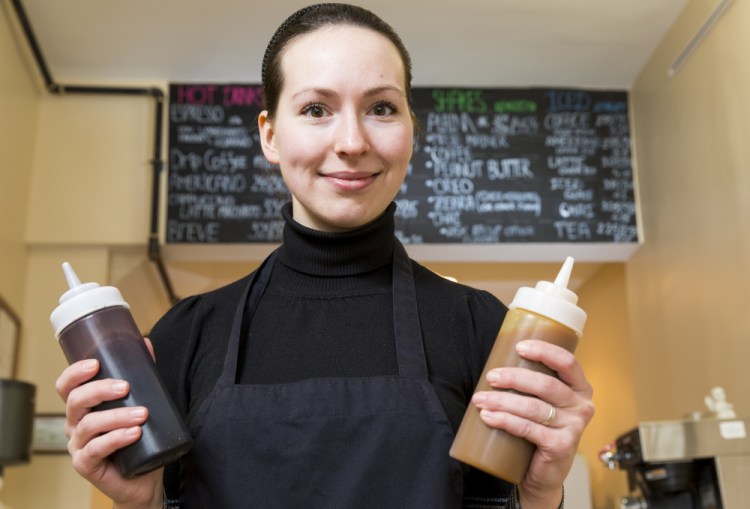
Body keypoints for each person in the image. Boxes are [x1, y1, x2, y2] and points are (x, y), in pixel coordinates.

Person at [55, 4, 594, 508]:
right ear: (270, 136)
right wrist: (144, 502)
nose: (353, 141)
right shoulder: (187, 334)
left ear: (412, 130)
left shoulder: (480, 329)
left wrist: (543, 496)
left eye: (382, 108)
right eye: (316, 109)